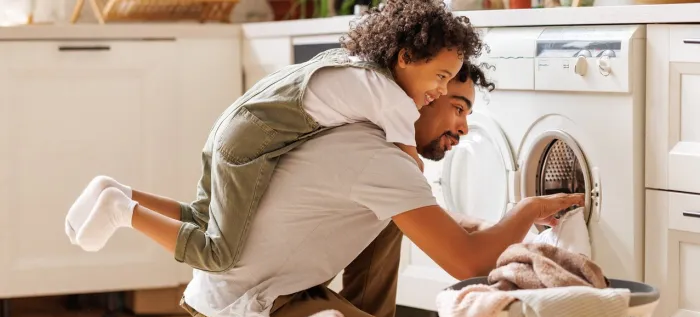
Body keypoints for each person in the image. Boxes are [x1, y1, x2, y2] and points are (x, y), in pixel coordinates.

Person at [65, 61, 584, 317]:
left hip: (243, 292)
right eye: (456, 105)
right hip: (261, 307)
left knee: (396, 220)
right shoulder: (378, 160)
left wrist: (503, 226)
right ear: (423, 96)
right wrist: (524, 211)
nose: (464, 127)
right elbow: (467, 261)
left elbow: (433, 225)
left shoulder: (370, 144)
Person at [64, 0, 486, 274]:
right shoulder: (392, 100)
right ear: (406, 56)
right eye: (441, 78)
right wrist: (450, 224)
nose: (439, 90)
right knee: (219, 254)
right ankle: (123, 210)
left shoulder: (356, 65)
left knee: (201, 216)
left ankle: (117, 190)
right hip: (250, 145)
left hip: (233, 127)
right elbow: (408, 170)